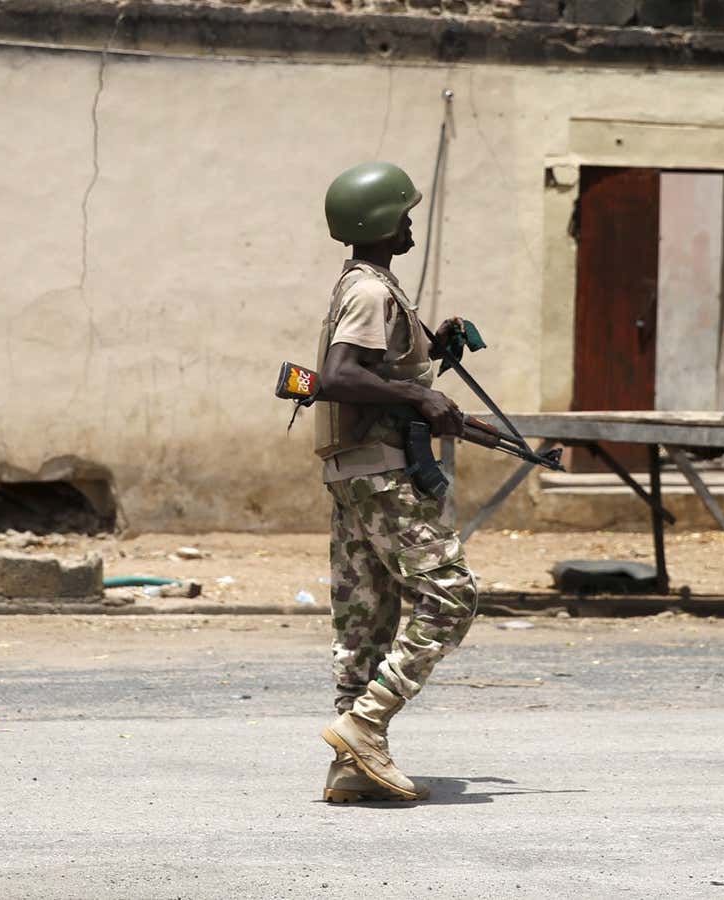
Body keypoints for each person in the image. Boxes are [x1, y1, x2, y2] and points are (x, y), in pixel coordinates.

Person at [309, 161, 480, 803]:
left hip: (355, 468)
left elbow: (370, 367)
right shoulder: (370, 291)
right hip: (382, 473)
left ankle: (354, 767)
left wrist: (432, 353)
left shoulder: (369, 285)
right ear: (380, 220)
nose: (411, 221)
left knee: (366, 615)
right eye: (403, 212)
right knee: (450, 593)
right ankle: (365, 722)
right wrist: (420, 395)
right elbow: (339, 375)